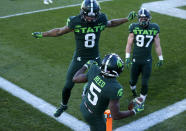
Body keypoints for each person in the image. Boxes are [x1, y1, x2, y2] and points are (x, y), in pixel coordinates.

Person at [32, 0, 137, 117]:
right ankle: (63, 105)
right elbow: (59, 31)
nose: (91, 19)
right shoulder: (75, 21)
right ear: (82, 13)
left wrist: (126, 19)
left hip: (95, 57)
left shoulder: (101, 19)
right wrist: (43, 34)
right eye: (88, 16)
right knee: (68, 85)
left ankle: (96, 106)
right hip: (79, 58)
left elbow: (111, 23)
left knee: (101, 84)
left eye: (93, 16)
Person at [72, 53, 144, 131]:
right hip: (94, 117)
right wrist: (134, 111)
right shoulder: (115, 88)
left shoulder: (94, 69)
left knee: (91, 87)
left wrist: (86, 65)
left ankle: (85, 92)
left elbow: (75, 78)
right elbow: (115, 115)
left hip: (84, 105)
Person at [125, 8, 164, 102]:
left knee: (144, 83)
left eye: (145, 18)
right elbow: (129, 43)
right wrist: (127, 57)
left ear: (149, 18)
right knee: (132, 82)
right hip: (135, 60)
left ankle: (141, 101)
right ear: (138, 18)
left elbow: (157, 45)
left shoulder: (154, 28)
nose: (143, 20)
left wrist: (160, 58)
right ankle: (134, 91)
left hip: (147, 60)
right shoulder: (133, 27)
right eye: (141, 18)